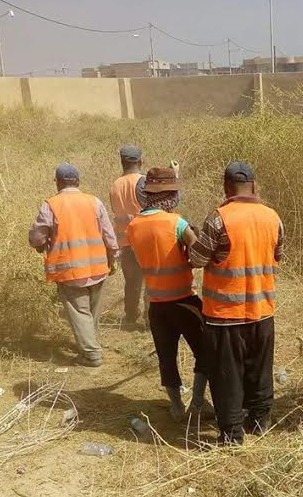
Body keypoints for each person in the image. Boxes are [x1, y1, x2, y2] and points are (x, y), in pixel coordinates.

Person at [189, 161, 284, 445]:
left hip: (225, 316)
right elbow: (277, 255)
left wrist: (192, 239)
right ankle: (259, 421)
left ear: (226, 187)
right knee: (260, 371)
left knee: (227, 377)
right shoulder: (273, 217)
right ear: (253, 186)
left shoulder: (219, 219)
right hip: (262, 312)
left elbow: (197, 259)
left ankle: (232, 436)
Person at [125, 163, 210, 421]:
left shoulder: (133, 226)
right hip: (185, 301)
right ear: (170, 196)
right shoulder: (177, 223)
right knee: (205, 351)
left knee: (166, 357)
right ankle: (198, 402)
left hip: (157, 304)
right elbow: (198, 256)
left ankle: (176, 407)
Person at [28, 163, 119, 367]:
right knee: (91, 313)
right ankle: (90, 343)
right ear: (78, 181)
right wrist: (113, 257)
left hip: (70, 270)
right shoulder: (94, 201)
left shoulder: (51, 205)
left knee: (80, 312)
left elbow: (36, 237)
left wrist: (39, 244)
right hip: (98, 267)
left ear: (58, 182)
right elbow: (108, 233)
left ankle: (91, 354)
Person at [109, 145, 147, 330]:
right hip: (144, 241)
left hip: (124, 242)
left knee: (132, 282)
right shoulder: (143, 181)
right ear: (140, 162)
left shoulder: (115, 186)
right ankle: (150, 317)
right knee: (151, 281)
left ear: (122, 162)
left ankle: (131, 316)